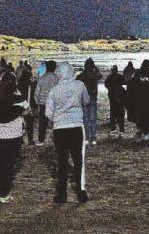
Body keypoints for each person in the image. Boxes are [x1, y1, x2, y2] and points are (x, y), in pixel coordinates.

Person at [44, 62, 90, 204]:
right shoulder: (80, 85)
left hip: (60, 128)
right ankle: (81, 191)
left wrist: (57, 119)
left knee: (62, 160)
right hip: (76, 125)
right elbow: (86, 101)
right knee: (78, 160)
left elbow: (48, 113)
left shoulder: (54, 90)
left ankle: (62, 193)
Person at [0, 71, 29, 204]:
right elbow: (27, 109)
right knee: (9, 165)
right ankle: (4, 194)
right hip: (13, 134)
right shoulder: (18, 98)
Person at [128, 59, 149, 140]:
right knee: (148, 116)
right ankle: (147, 132)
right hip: (148, 100)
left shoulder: (137, 74)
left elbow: (131, 85)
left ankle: (143, 131)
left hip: (141, 100)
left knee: (141, 116)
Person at [77, 58, 102, 145]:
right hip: (93, 98)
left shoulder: (82, 75)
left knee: (85, 119)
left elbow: (76, 79)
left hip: (84, 99)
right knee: (93, 119)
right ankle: (93, 138)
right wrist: (96, 68)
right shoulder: (95, 74)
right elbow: (100, 76)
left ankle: (86, 138)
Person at [35, 61, 59, 144]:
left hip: (43, 102)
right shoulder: (57, 78)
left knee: (42, 122)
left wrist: (37, 101)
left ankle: (41, 140)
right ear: (54, 68)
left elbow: (37, 91)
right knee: (55, 121)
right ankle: (56, 139)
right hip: (55, 103)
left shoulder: (42, 78)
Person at [17, 62, 36, 145]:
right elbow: (34, 97)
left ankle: (20, 140)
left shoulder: (18, 86)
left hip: (20, 107)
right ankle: (30, 139)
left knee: (20, 124)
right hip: (29, 106)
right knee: (30, 125)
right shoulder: (32, 85)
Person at [104, 65, 126, 137]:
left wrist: (110, 89)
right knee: (121, 113)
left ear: (112, 70)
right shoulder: (120, 76)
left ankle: (113, 130)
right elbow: (124, 82)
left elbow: (106, 84)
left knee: (113, 114)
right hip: (120, 96)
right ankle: (121, 130)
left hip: (112, 97)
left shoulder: (109, 77)